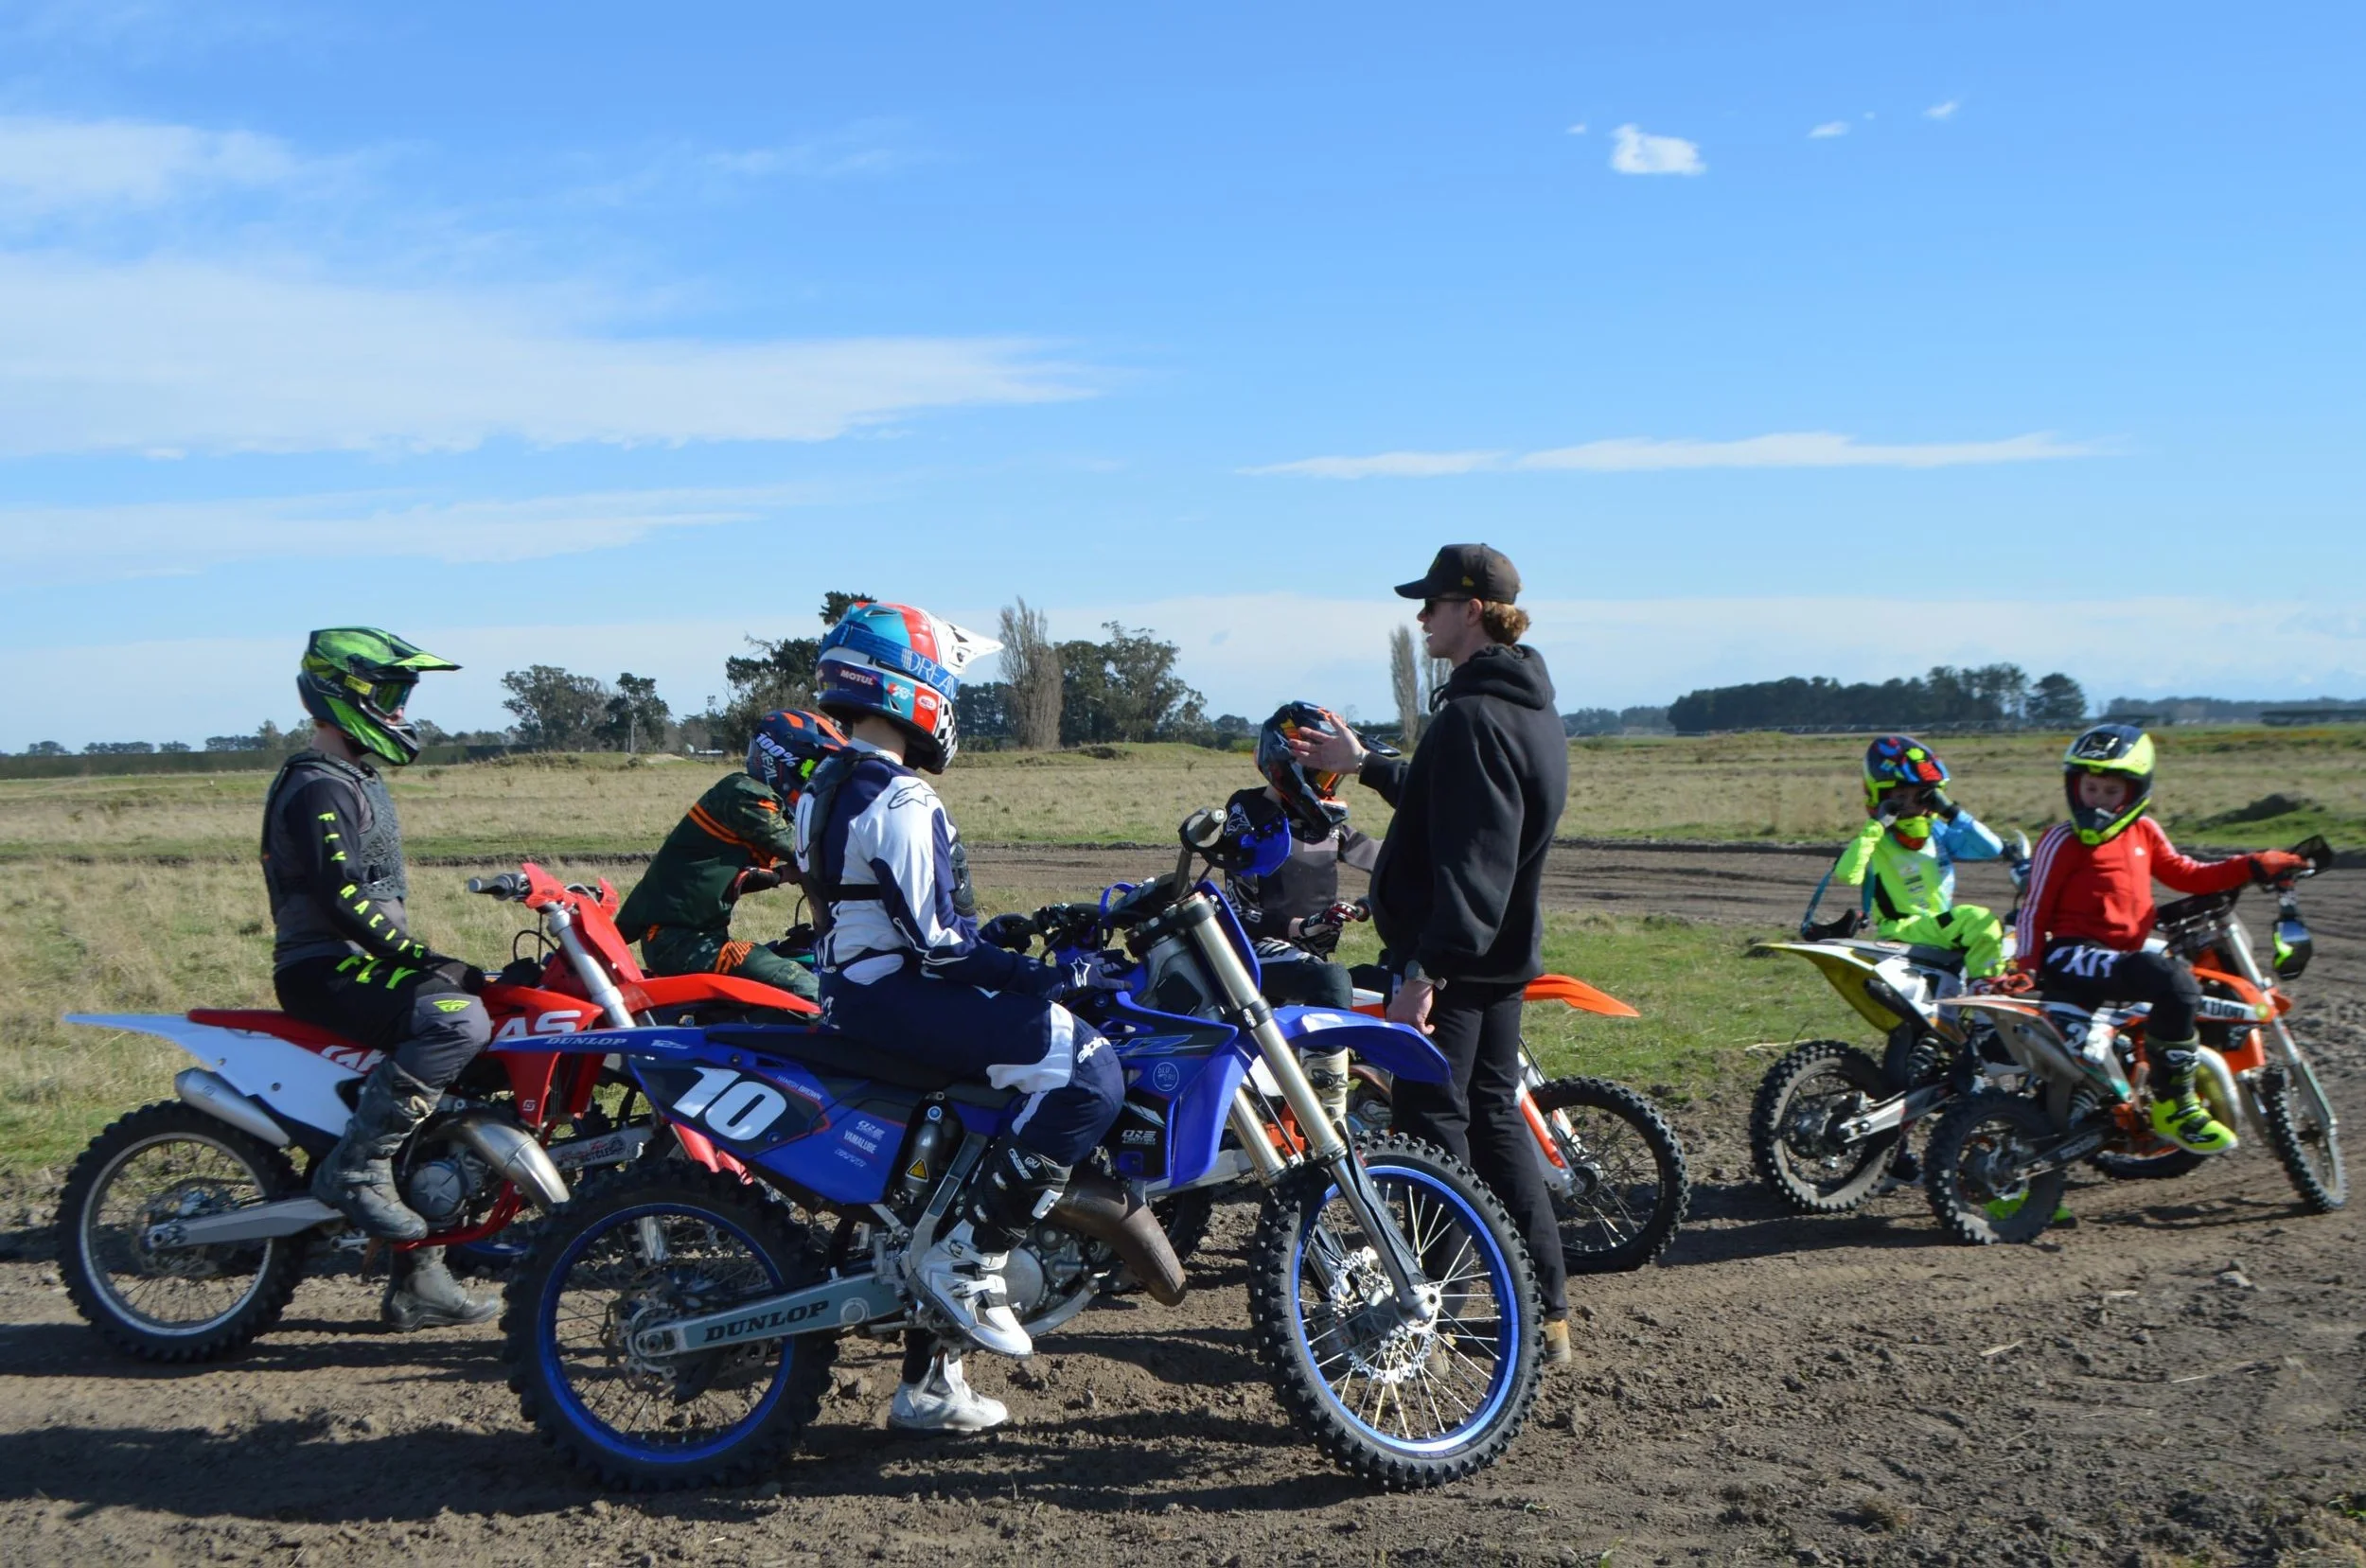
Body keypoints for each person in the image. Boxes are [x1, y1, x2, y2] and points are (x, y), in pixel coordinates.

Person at [795, 600, 1126, 1432]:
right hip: (896, 997)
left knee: (959, 1156)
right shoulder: (900, 797)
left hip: (857, 990)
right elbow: (940, 946)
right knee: (1089, 1070)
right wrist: (1044, 976)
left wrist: (1002, 951)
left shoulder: (827, 780)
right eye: (949, 683)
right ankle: (970, 1256)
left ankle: (931, 1384)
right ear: (917, 687)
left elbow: (882, 913)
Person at [1288, 544, 1575, 1366]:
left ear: (1473, 608)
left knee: (1429, 1139)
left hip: (1457, 962)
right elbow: (1451, 797)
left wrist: (1424, 971)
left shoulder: (1475, 716)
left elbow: (1474, 859)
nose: (1421, 618)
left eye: (1434, 603)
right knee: (1492, 1121)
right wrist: (1368, 765)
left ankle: (1426, 1317)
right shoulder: (1525, 707)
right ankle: (1547, 1314)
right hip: (1500, 959)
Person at [264, 627, 498, 1330]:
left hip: (355, 960)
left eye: (402, 696)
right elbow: (343, 897)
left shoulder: (355, 775)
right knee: (457, 1018)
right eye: (388, 694)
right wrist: (420, 958)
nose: (398, 710)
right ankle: (358, 1168)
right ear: (342, 693)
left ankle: (419, 1273)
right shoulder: (316, 783)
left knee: (487, 1018)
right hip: (322, 966)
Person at [2017, 724, 2310, 1154]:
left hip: (2120, 956)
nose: (2097, 800)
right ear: (2073, 787)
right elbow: (2033, 908)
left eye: (2110, 791)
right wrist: (2025, 969)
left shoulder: (2144, 832)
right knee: (2174, 981)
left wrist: (2253, 864)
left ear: (2134, 793)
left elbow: (2187, 874)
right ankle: (2174, 1105)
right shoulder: (2061, 840)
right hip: (2071, 953)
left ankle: (2036, 1173)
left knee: (2073, 1076)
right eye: (2090, 788)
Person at [1221, 702, 1381, 1123]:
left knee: (1391, 986)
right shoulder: (1250, 819)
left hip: (1306, 957)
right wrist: (1305, 926)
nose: (1330, 786)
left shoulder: (1329, 827)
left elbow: (1391, 862)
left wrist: (1369, 905)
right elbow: (1244, 914)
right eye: (1323, 773)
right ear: (1289, 765)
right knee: (1331, 980)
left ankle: (1387, 1107)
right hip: (1250, 957)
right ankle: (1326, 1122)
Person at [612, 709, 833, 1005]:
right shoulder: (745, 794)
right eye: (808, 770)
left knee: (795, 955)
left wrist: (781, 875)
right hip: (680, 942)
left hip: (684, 938)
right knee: (804, 985)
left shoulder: (751, 801)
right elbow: (806, 850)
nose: (812, 779)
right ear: (778, 760)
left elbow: (723, 874)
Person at [1824, 734, 2009, 980]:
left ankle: (1982, 995)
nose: (1913, 805)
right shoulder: (1875, 841)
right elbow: (1848, 874)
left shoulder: (1937, 833)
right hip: (1902, 931)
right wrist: (1876, 826)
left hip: (1937, 928)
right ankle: (1986, 995)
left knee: (2012, 936)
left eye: (1922, 795)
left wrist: (1952, 812)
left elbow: (1992, 848)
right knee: (1977, 920)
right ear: (1882, 799)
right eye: (1901, 798)